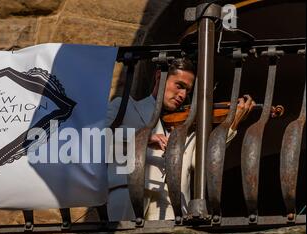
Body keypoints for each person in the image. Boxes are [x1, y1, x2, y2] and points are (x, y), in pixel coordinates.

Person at [106, 57, 255, 221]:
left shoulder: (185, 125)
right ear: (159, 77)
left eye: (188, 91)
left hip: (172, 201)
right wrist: (145, 136)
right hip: (128, 189)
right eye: (179, 86)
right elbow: (98, 136)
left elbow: (201, 160)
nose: (183, 95)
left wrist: (232, 125)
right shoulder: (126, 106)